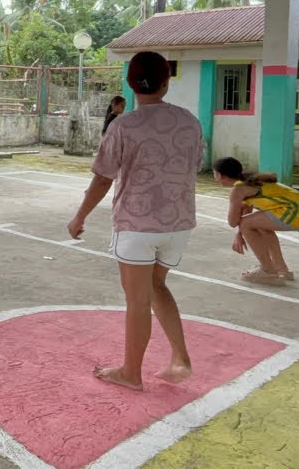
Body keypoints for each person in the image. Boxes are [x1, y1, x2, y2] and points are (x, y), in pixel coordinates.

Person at [66, 51, 202, 391]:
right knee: (157, 286)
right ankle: (180, 357)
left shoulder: (123, 125)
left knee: (138, 300)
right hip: (179, 222)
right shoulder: (189, 121)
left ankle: (131, 373)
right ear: (166, 82)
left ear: (131, 85)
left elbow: (103, 178)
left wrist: (80, 215)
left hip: (137, 224)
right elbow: (194, 164)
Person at [213, 157, 299, 286]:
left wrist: (236, 208)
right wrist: (239, 234)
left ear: (219, 175)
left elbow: (233, 222)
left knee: (247, 223)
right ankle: (281, 268)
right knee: (258, 224)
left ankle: (268, 271)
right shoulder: (250, 181)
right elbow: (247, 214)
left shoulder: (238, 190)